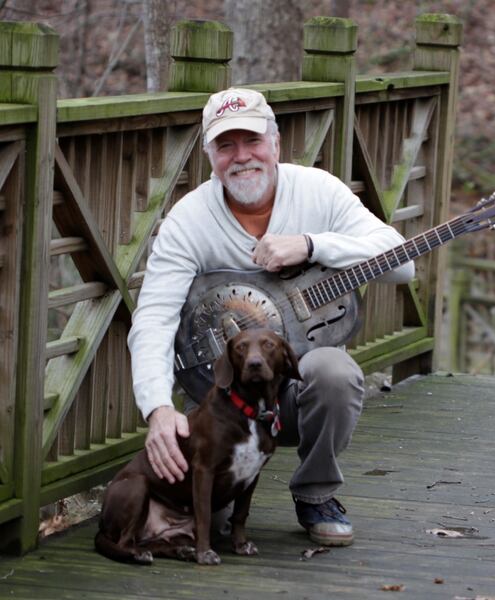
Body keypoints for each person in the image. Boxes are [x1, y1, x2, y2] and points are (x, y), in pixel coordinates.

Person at [127, 87, 415, 547]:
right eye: (226, 145)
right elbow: (154, 318)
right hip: (219, 402)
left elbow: (403, 264)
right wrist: (158, 408)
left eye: (253, 141)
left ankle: (316, 493)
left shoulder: (318, 190)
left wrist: (313, 244)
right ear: (210, 156)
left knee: (335, 370)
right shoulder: (189, 220)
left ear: (276, 144)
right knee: (208, 531)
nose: (242, 157)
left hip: (294, 395)